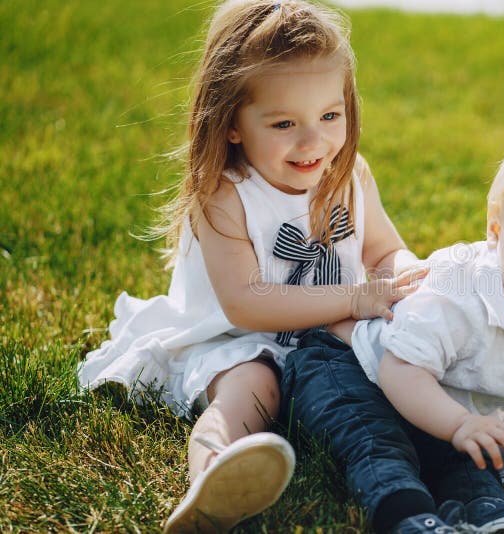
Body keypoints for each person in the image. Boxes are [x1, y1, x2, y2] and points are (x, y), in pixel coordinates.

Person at [77, 1, 427, 532]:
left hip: (326, 341)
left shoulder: (349, 174)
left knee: (410, 364)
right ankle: (214, 471)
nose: (313, 141)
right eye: (284, 123)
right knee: (253, 388)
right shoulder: (224, 194)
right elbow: (245, 301)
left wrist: (405, 276)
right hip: (236, 339)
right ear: (232, 122)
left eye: (330, 116)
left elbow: (382, 251)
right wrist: (356, 299)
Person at [282, 124, 504, 533]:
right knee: (381, 441)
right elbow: (399, 371)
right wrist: (459, 424)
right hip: (345, 366)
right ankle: (407, 518)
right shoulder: (459, 293)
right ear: (497, 229)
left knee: (465, 451)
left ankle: (489, 509)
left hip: (430, 393)